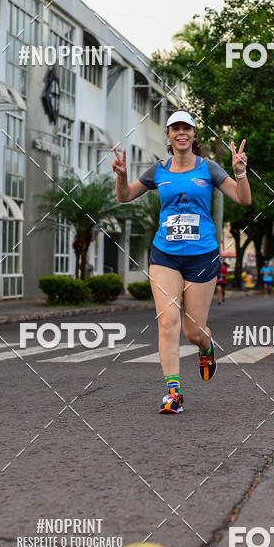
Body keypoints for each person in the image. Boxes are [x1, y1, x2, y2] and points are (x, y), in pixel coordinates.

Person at [113, 110, 251, 414]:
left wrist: (240, 173)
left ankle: (207, 347)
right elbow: (124, 196)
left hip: (202, 256)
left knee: (192, 330)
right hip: (165, 255)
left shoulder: (209, 168)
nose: (181, 133)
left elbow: (243, 199)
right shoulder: (157, 170)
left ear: (193, 134)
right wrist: (121, 177)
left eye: (186, 128)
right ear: (169, 136)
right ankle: (173, 392)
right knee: (167, 322)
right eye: (175, 128)